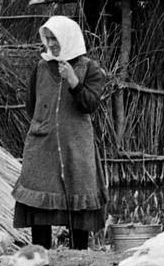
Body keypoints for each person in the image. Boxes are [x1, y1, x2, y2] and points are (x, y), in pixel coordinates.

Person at [12, 15, 114, 249]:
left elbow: (90, 104)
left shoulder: (90, 69)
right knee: (39, 197)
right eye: (47, 39)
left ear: (68, 39)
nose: (50, 45)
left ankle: (78, 254)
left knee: (78, 197)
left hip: (76, 145)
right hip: (43, 144)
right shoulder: (41, 67)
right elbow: (31, 104)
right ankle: (40, 252)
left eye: (54, 39)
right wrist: (46, 124)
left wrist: (73, 81)